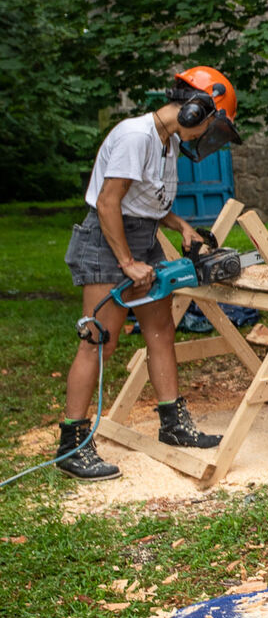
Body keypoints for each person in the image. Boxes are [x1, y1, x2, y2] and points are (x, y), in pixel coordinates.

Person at [58, 66, 245, 480]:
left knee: (160, 330)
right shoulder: (135, 136)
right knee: (98, 341)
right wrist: (127, 262)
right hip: (108, 240)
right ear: (196, 110)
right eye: (210, 126)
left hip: (142, 237)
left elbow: (148, 202)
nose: (205, 136)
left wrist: (181, 226)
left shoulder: (167, 142)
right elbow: (109, 202)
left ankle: (173, 424)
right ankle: (72, 444)